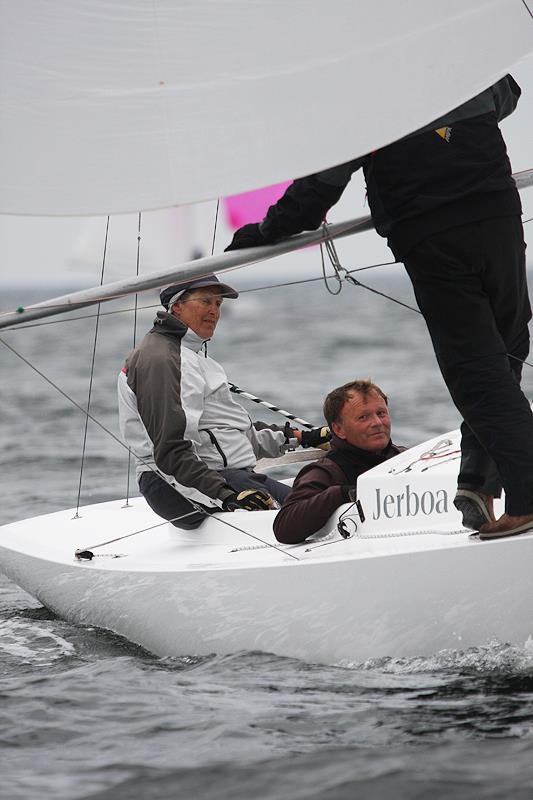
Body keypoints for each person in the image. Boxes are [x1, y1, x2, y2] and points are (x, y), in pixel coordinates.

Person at [226, 74, 533, 541]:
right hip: (499, 217)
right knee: (507, 350)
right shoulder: (464, 64)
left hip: (433, 234)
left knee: (476, 370)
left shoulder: (361, 96)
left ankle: (526, 497)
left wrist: (265, 232)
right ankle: (477, 482)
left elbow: (315, 194)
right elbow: (506, 94)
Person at [117, 274, 330, 529]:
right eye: (205, 301)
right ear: (176, 306)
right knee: (316, 511)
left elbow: (231, 434)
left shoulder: (192, 357)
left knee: (323, 496)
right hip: (176, 485)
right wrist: (227, 495)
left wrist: (304, 437)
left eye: (218, 304)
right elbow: (170, 452)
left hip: (218, 478)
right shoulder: (163, 360)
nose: (214, 311)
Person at [273, 380, 404, 544]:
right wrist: (342, 494)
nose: (377, 423)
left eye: (381, 413)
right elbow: (284, 528)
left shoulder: (408, 457)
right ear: (338, 429)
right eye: (363, 417)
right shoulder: (326, 472)